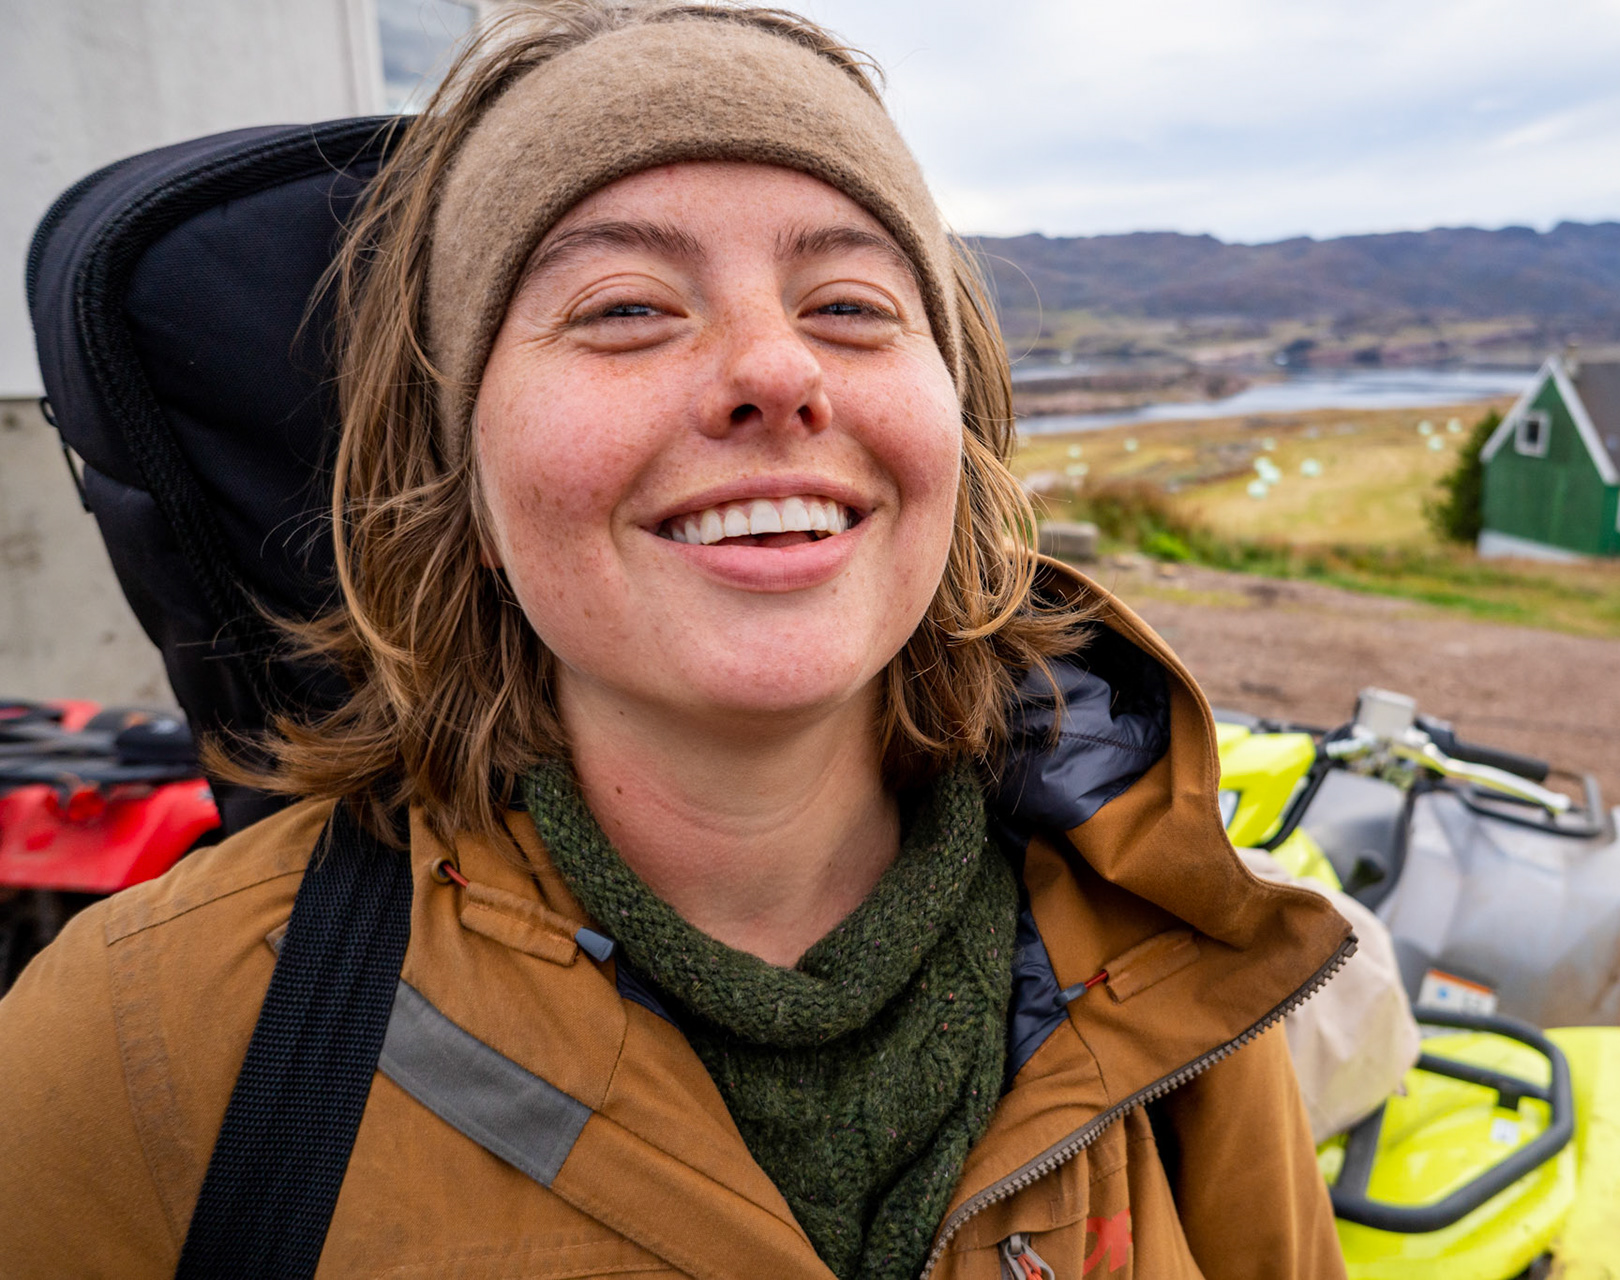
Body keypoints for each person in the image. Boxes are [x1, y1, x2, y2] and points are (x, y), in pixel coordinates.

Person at [0, 4, 1353, 1276]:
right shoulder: (129, 1057)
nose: (779, 373)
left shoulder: (1164, 963)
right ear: (460, 486)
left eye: (851, 308)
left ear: (957, 436)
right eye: (627, 309)